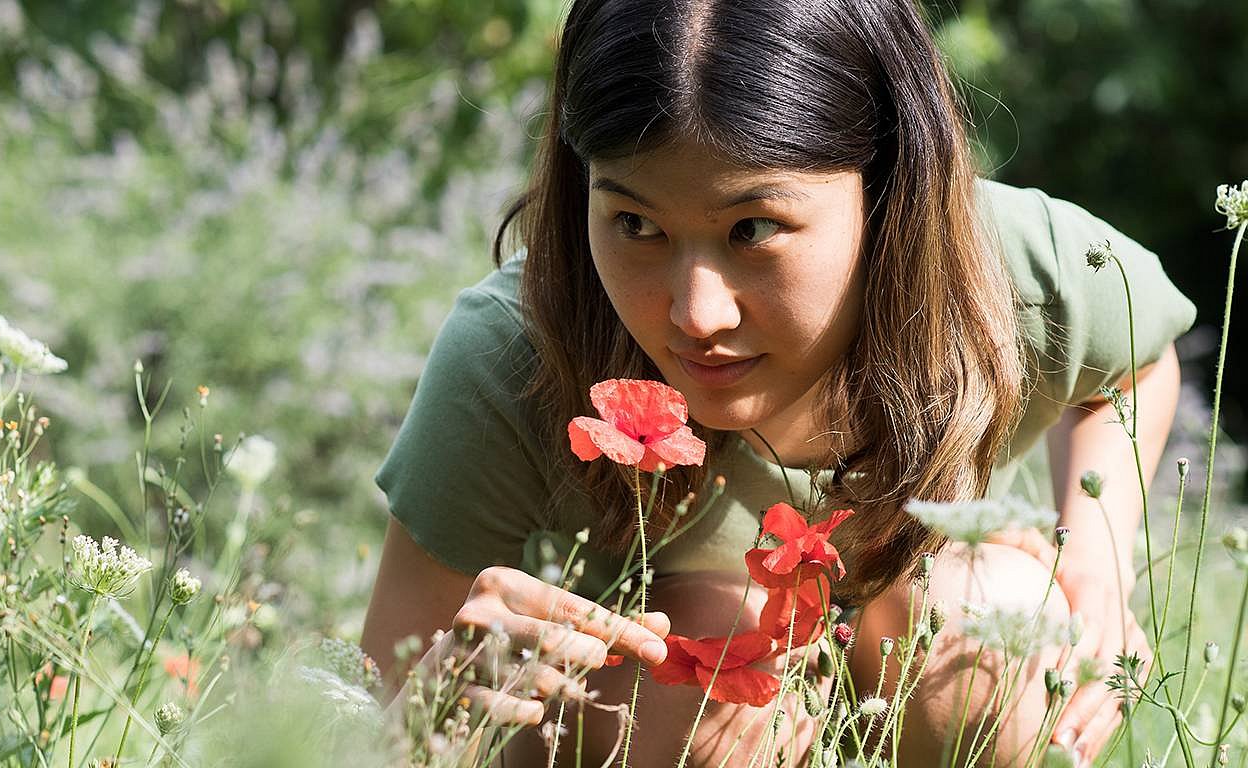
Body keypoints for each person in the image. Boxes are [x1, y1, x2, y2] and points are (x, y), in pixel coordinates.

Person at [358, 0, 1197, 765]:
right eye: (635, 223)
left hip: (920, 661)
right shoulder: (515, 354)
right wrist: (444, 705)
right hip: (656, 725)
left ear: (887, 187)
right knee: (704, 671)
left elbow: (1135, 360)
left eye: (753, 228)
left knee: (977, 644)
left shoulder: (1005, 270)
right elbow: (384, 710)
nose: (697, 314)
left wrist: (1096, 555)